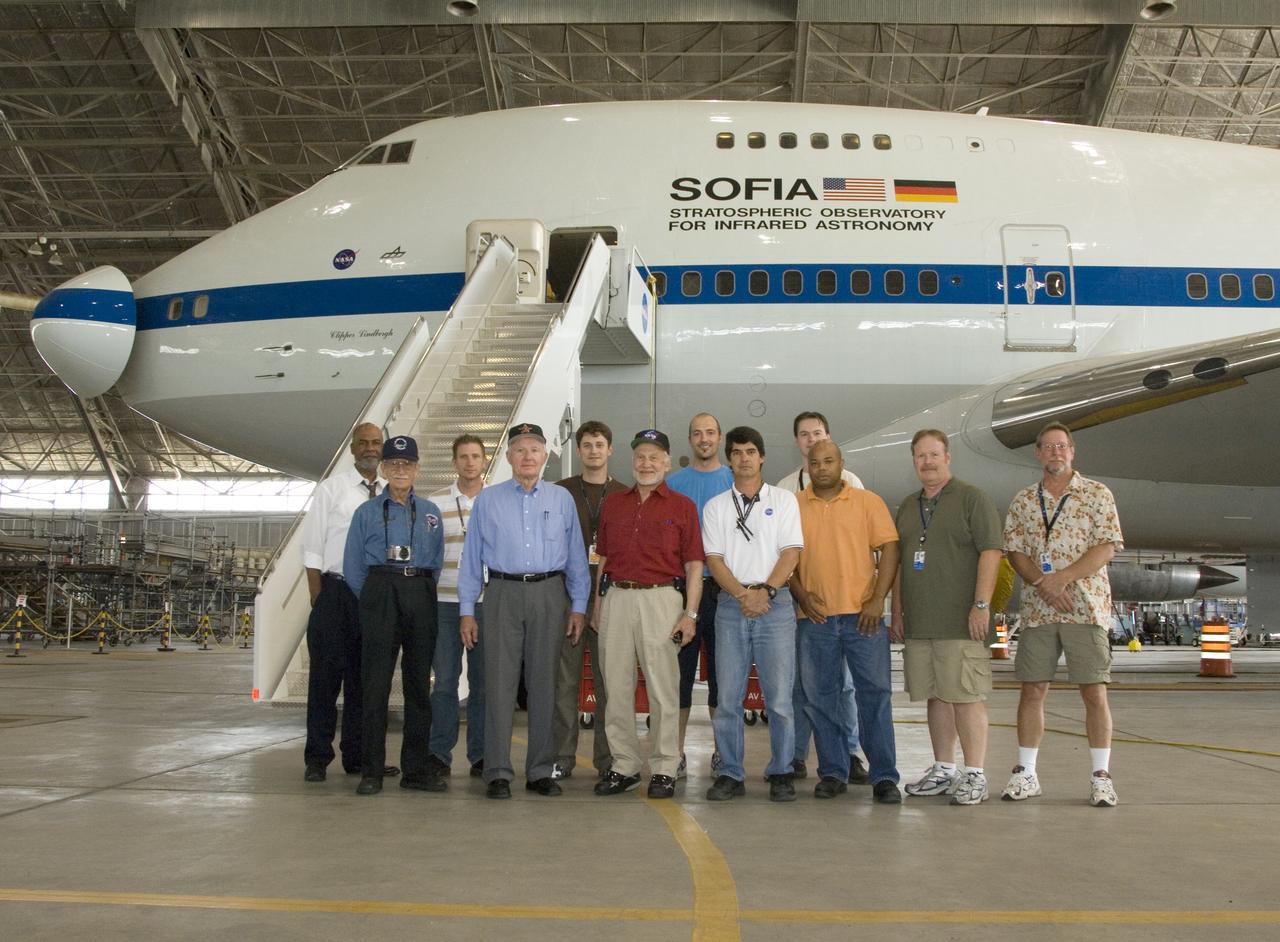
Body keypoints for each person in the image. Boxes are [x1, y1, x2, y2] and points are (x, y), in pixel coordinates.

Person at [459, 423, 590, 800]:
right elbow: (471, 558)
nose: (528, 456)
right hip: (502, 592)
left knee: (545, 684)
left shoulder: (561, 499)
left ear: (545, 456)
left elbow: (576, 557)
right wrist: (467, 610)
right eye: (520, 449)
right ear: (508, 457)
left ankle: (540, 770)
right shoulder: (489, 500)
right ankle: (497, 771)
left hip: (550, 593)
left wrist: (578, 606)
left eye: (534, 449)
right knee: (498, 684)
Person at [1001, 422, 1124, 807]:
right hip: (1039, 611)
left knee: (1094, 691)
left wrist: (1062, 579)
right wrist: (1043, 583)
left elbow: (1106, 547)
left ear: (1072, 451)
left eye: (1061, 446)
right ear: (1038, 453)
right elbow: (1015, 551)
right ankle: (1026, 772)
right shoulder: (1024, 500)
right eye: (1048, 447)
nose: (1055, 452)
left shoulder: (1097, 494)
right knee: (1032, 690)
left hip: (1085, 609)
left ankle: (1101, 777)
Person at [891, 429, 1003, 806]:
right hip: (921, 623)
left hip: (961, 622)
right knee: (936, 697)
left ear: (948, 457)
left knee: (966, 696)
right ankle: (944, 769)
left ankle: (975, 774)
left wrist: (981, 605)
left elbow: (991, 552)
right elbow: (900, 563)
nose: (927, 462)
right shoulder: (909, 507)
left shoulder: (973, 499)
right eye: (920, 456)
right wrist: (897, 610)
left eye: (934, 455)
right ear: (913, 461)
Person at [592, 429, 704, 799]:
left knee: (663, 688)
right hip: (617, 598)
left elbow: (694, 565)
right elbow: (603, 559)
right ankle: (624, 765)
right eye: (641, 456)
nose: (647, 464)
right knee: (616, 687)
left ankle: (665, 767)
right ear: (632, 461)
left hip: (662, 600)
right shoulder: (614, 504)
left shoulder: (682, 506)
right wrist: (598, 605)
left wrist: (690, 614)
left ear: (668, 462)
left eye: (655, 457)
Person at [790, 441, 902, 803]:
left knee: (875, 696)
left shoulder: (867, 502)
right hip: (815, 619)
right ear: (807, 466)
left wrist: (877, 599)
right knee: (821, 699)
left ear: (841, 463)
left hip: (862, 619)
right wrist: (801, 595)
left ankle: (884, 776)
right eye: (815, 462)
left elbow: (890, 548)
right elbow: (784, 558)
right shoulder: (793, 506)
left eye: (829, 461)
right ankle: (833, 772)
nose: (822, 468)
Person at [702, 426, 803, 802]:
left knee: (779, 699)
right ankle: (730, 772)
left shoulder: (784, 500)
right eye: (736, 452)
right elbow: (714, 560)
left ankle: (781, 771)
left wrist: (766, 592)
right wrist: (744, 595)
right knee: (728, 698)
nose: (743, 458)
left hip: (775, 605)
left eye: (750, 452)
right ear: (729, 460)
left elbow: (791, 553)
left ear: (762, 457)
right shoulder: (716, 506)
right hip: (732, 605)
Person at [342, 435, 444, 796]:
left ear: (417, 469)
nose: (401, 470)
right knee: (375, 685)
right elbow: (352, 567)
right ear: (384, 469)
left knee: (418, 685)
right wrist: (373, 599)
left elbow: (436, 562)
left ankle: (415, 770)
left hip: (419, 590)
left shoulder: (431, 513)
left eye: (407, 464)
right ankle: (371, 770)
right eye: (394, 464)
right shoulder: (366, 512)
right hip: (380, 591)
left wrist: (418, 590)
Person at [775, 410, 866, 785]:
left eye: (818, 433)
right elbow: (781, 550)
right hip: (802, 602)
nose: (812, 440)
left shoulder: (851, 482)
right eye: (805, 434)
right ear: (797, 442)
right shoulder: (784, 488)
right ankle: (796, 754)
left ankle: (850, 752)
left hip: (843, 603)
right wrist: (799, 594)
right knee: (800, 683)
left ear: (829, 438)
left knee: (844, 685)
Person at [299, 422, 389, 782]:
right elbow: (312, 548)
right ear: (352, 448)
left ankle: (358, 757)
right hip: (335, 593)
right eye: (363, 443)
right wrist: (318, 595)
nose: (370, 448)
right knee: (325, 680)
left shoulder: (390, 492)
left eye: (376, 442)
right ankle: (317, 759)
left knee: (364, 683)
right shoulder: (331, 490)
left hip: (374, 595)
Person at [551, 421, 624, 780]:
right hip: (568, 597)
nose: (594, 451)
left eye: (599, 444)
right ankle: (562, 757)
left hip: (611, 597)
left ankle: (607, 759)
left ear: (610, 449)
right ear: (578, 450)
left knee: (608, 682)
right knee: (564, 681)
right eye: (587, 445)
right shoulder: (560, 492)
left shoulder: (625, 495)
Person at [666, 412, 734, 777]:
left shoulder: (736, 480)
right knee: (679, 678)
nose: (704, 439)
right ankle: (675, 754)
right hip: (682, 594)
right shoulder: (673, 484)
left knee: (723, 680)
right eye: (697, 433)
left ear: (719, 437)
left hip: (725, 593)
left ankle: (723, 753)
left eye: (710, 432)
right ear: (690, 439)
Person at [425, 435, 487, 782]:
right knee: (445, 683)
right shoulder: (435, 504)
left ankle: (481, 754)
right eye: (463, 456)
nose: (470, 462)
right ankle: (439, 754)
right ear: (454, 463)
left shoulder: (495, 501)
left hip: (486, 604)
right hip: (444, 604)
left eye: (476, 456)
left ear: (484, 461)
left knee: (483, 684)